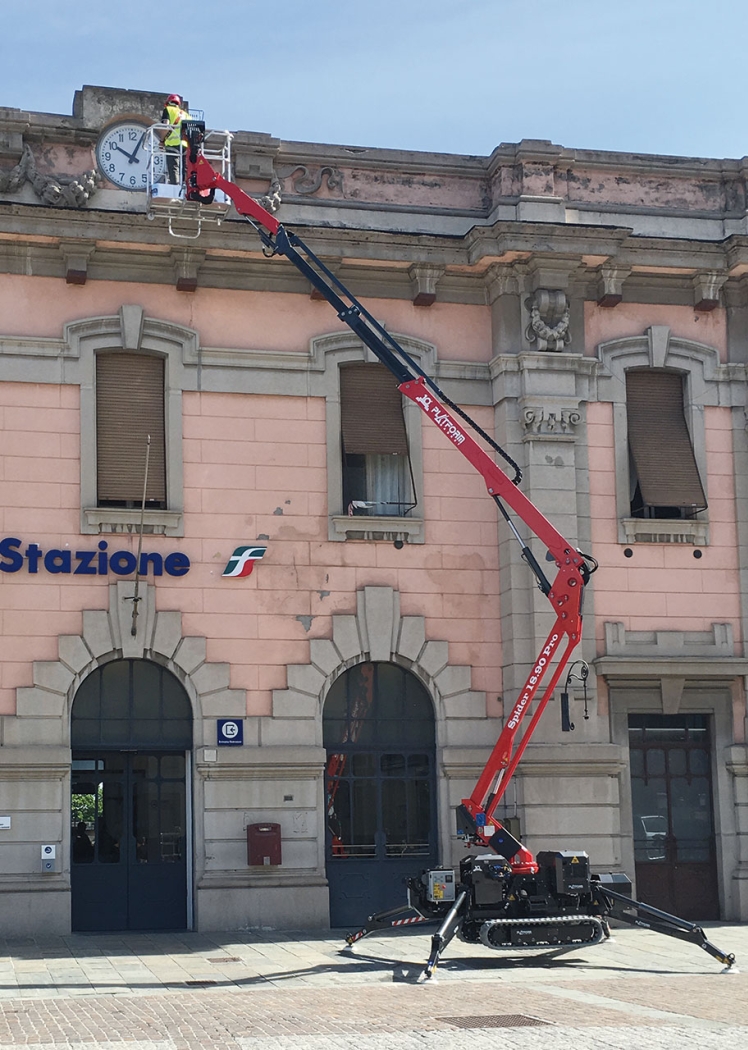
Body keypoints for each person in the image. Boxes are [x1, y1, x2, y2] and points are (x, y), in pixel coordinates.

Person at [161, 93, 190, 185]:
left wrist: (162, 141)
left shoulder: (168, 110)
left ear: (168, 102)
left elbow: (166, 127)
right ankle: (184, 185)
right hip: (185, 145)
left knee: (173, 167)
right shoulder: (186, 115)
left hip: (172, 144)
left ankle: (175, 186)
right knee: (184, 168)